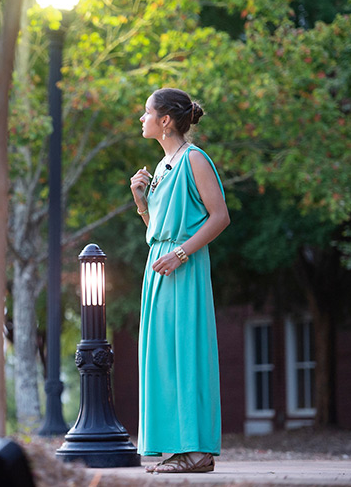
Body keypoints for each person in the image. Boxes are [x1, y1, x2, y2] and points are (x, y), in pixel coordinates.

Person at [129, 88, 230, 473]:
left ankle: (198, 451)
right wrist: (141, 201)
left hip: (182, 267)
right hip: (159, 266)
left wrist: (182, 254)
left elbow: (219, 217)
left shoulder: (194, 159)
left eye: (147, 112)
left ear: (166, 120)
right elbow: (157, 229)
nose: (142, 118)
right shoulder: (160, 167)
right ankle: (178, 448)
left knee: (186, 354)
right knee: (161, 358)